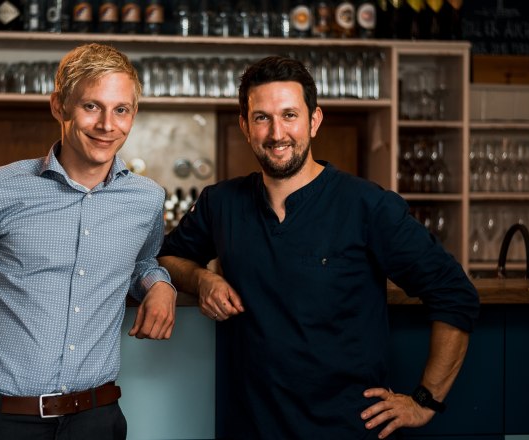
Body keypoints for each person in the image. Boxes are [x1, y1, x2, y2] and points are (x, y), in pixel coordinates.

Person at [158, 55, 480, 439]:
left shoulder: (367, 205)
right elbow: (167, 257)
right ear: (245, 126)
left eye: (290, 115)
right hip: (247, 428)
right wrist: (201, 279)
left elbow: (454, 293)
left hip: (344, 429)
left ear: (314, 120)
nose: (277, 133)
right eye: (262, 117)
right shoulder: (221, 203)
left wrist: (425, 401)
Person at [0, 43, 176, 440]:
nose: (107, 125)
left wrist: (159, 283)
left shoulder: (147, 198)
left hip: (98, 419)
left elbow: (139, 262)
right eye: (91, 106)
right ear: (59, 106)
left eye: (121, 109)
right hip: (4, 421)